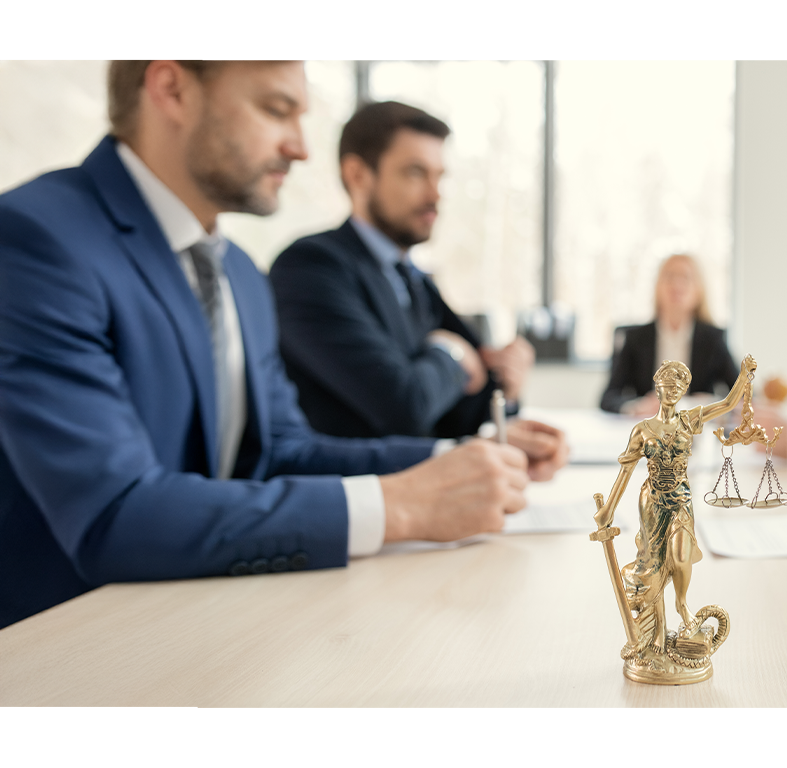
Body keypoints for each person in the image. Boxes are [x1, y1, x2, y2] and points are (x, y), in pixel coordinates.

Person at [0, 61, 560, 629]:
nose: (300, 148)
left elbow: (279, 452)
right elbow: (114, 516)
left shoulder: (238, 273)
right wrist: (402, 506)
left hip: (209, 619)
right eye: (275, 109)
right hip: (65, 644)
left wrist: (458, 460)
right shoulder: (38, 240)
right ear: (171, 89)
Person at [270, 101, 565, 469]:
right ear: (357, 174)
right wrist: (452, 355)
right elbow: (404, 406)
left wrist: (508, 379)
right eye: (415, 173)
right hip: (354, 502)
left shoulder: (415, 281)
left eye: (440, 176)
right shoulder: (311, 268)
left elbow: (468, 402)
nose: (435, 193)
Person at [592, 355, 757, 671]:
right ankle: (653, 636)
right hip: (652, 501)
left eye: (678, 386)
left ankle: (682, 605)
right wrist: (608, 510)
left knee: (680, 556)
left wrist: (744, 376)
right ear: (657, 388)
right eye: (667, 385)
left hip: (681, 500)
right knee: (652, 563)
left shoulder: (688, 420)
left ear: (684, 391)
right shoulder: (642, 430)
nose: (672, 391)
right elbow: (626, 472)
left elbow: (725, 404)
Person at [600, 253, 740, 416]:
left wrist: (707, 403)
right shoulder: (635, 339)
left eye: (686, 277)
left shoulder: (713, 339)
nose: (677, 284)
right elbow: (608, 397)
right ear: (657, 287)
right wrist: (636, 406)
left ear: (699, 290)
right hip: (649, 428)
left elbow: (741, 396)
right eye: (669, 276)